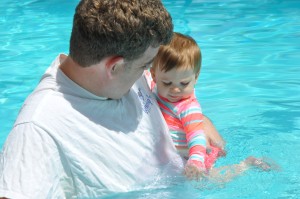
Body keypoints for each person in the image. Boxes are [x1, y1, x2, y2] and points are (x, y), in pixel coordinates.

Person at [0, 0, 224, 198]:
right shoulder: (38, 131)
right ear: (114, 66)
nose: (149, 74)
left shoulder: (121, 72)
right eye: (146, 66)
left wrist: (200, 121)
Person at [148, 32, 275, 181]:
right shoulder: (152, 84)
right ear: (154, 75)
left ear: (195, 77)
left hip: (193, 154)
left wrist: (195, 162)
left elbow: (196, 135)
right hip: (183, 150)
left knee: (214, 181)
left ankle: (247, 164)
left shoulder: (188, 108)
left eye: (184, 83)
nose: (175, 90)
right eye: (167, 83)